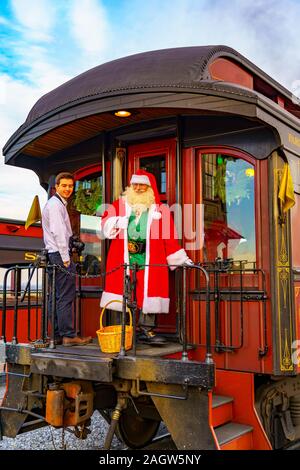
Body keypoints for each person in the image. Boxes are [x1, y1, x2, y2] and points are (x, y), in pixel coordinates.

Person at [100, 169, 193, 343]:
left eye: (143, 184)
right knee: (124, 291)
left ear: (150, 187)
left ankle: (147, 329)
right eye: (135, 184)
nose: (139, 187)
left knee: (149, 291)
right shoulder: (119, 205)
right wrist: (119, 221)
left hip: (150, 259)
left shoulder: (160, 210)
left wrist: (180, 257)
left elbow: (169, 236)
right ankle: (124, 330)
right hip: (124, 257)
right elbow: (104, 224)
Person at [42, 172, 92, 346]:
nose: (68, 189)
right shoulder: (56, 205)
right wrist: (65, 258)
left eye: (70, 186)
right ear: (57, 187)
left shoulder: (56, 204)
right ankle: (69, 335)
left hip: (53, 254)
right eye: (64, 186)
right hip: (59, 254)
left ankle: (56, 335)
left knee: (55, 296)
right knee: (65, 296)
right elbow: (59, 233)